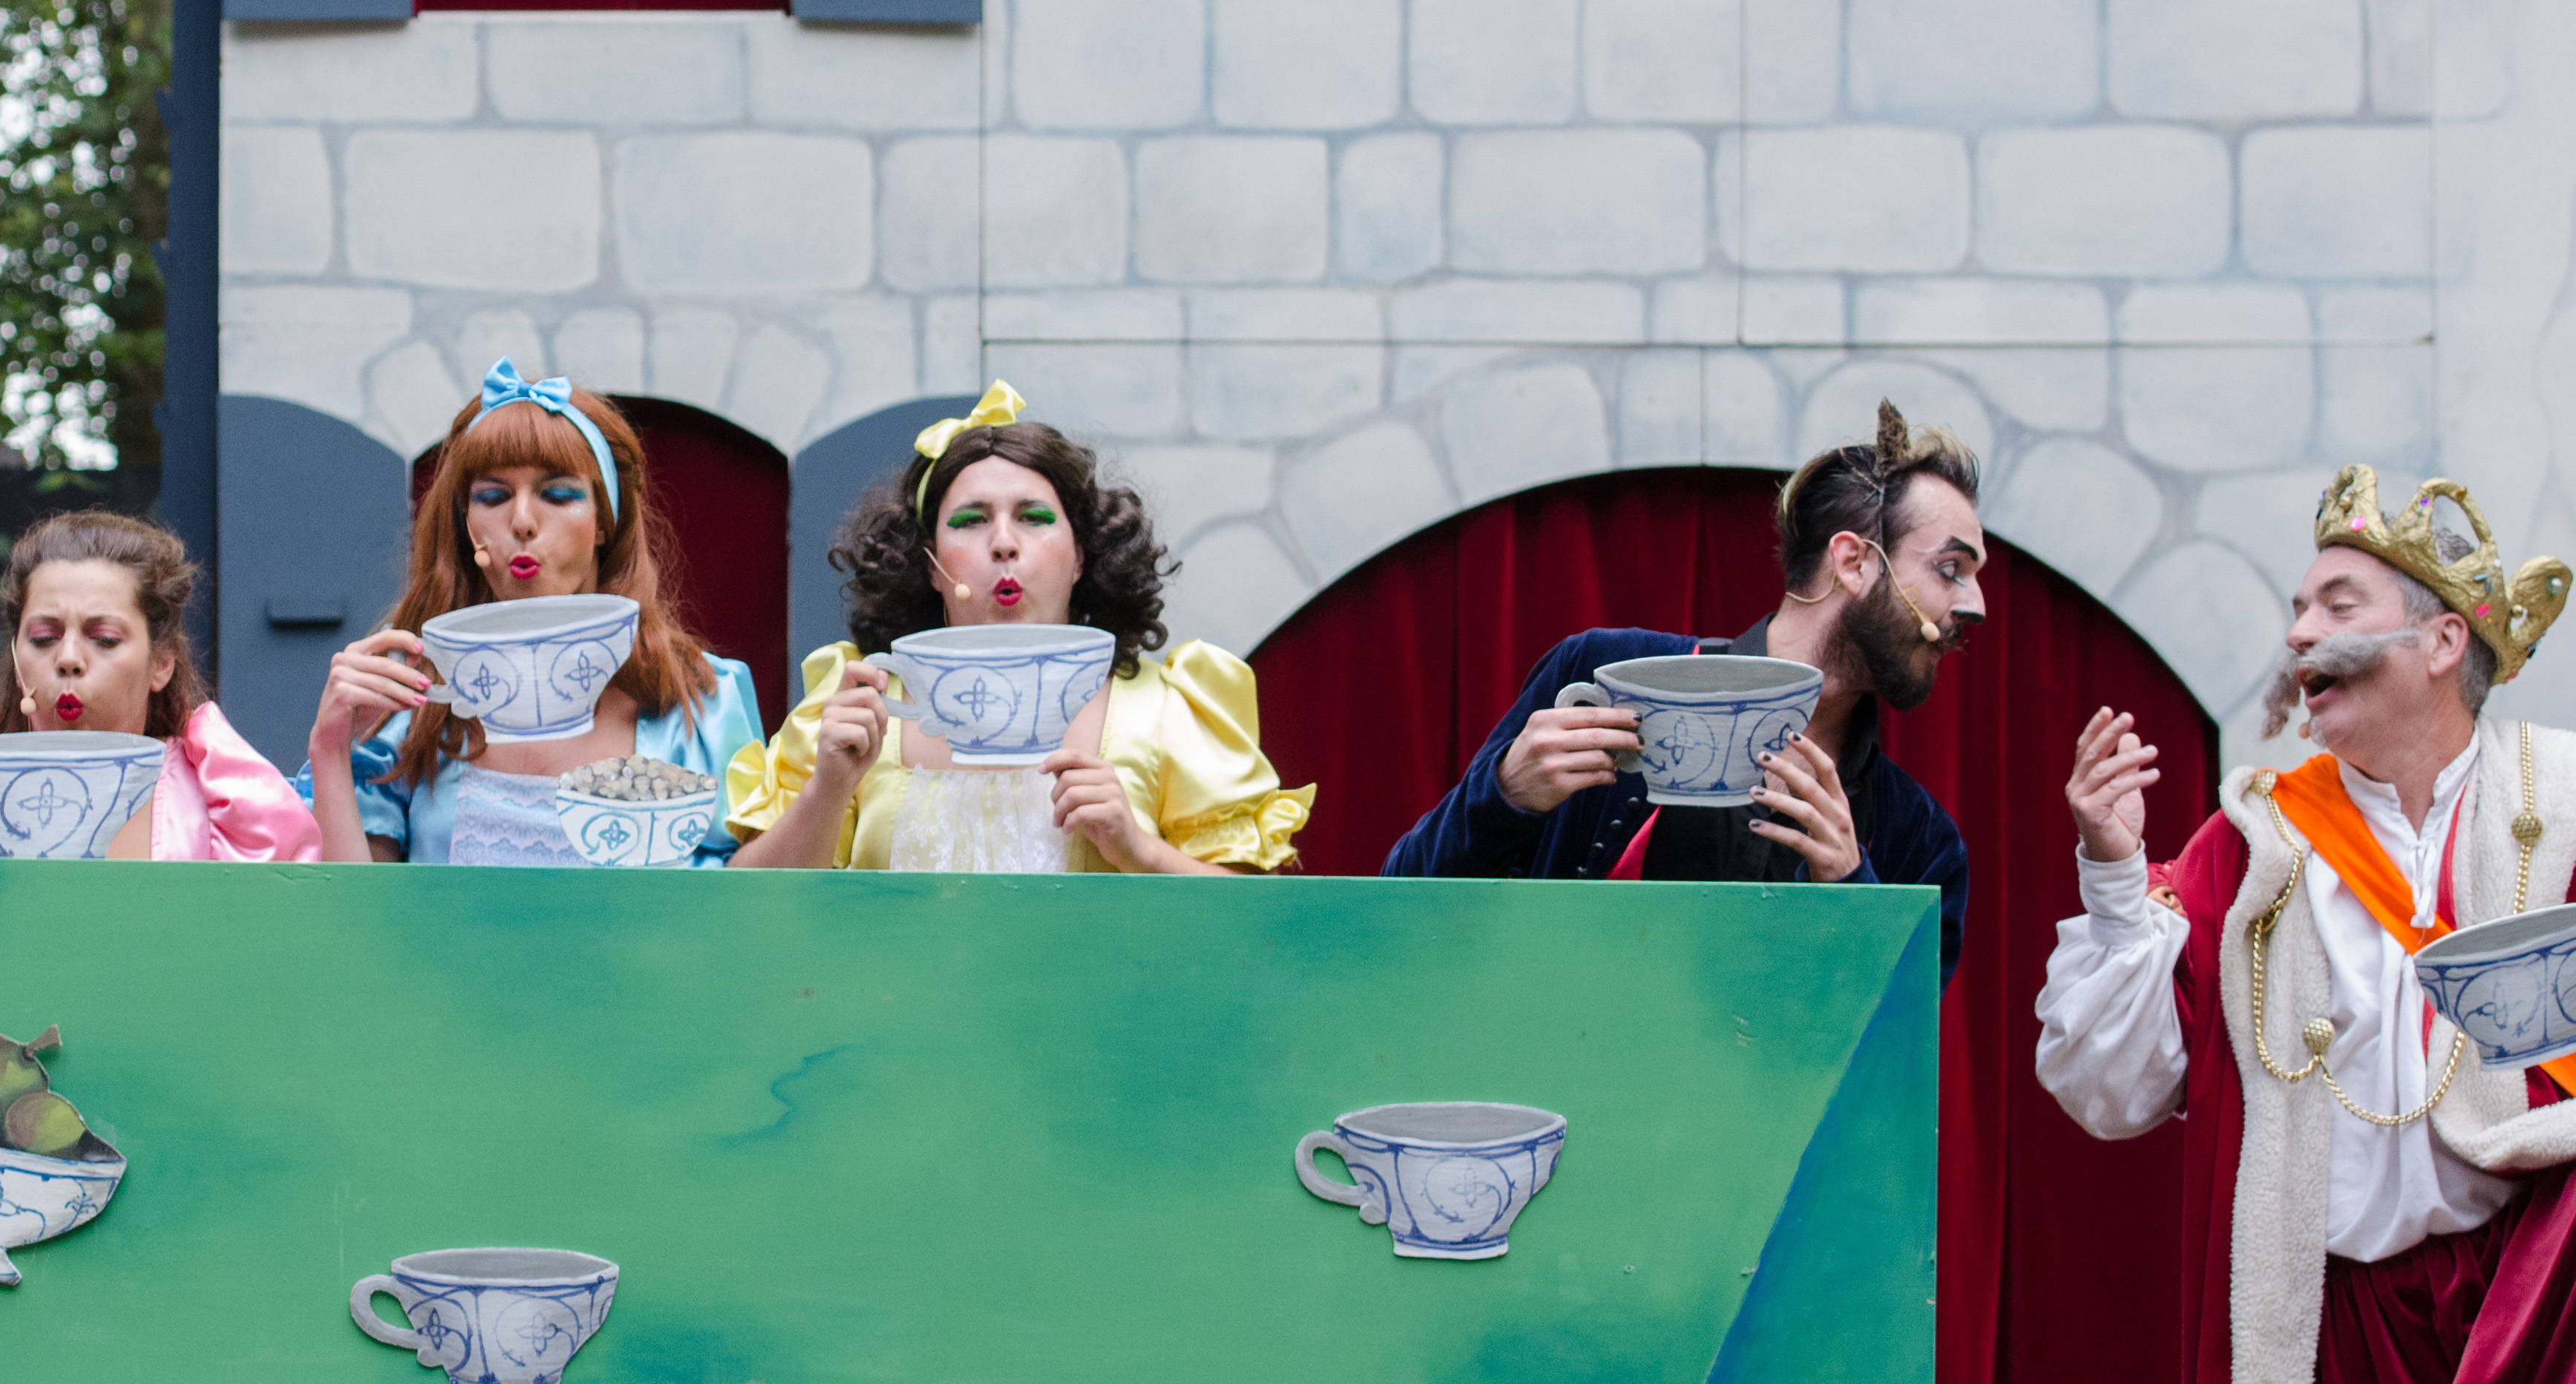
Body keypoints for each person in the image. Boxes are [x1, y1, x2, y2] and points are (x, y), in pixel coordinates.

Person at [2036, 466, 2576, 1384]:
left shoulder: (2560, 801)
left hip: (2534, 1289)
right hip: (2351, 1339)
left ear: (2440, 638)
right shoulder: (2257, 844)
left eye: (2335, 604)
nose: (2296, 635)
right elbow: (2110, 1088)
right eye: (2293, 606)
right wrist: (2112, 873)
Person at [1379, 399, 1982, 976]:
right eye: (1950, 569)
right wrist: (1504, 794)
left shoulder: (1924, 842)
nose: (1975, 605)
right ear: (1853, 562)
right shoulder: (1600, 674)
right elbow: (1396, 908)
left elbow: (1895, 1038)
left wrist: (1854, 896)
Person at [724, 383, 1312, 874]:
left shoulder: (1165, 710)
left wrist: (1140, 851)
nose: (1004, 543)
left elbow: (1256, 926)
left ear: (1080, 556)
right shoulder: (859, 710)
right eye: (970, 521)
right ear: (929, 565)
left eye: (1033, 517)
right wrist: (826, 791)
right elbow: (746, 913)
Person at [302, 362, 762, 865]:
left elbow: (749, 896)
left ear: (605, 522)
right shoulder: (410, 693)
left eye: (558, 495)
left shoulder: (696, 698)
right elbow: (351, 905)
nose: (522, 521)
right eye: (493, 497)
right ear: (466, 524)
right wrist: (330, 749)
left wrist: (822, 782)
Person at [0, 509, 316, 862]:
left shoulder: (225, 807)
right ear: (16, 659)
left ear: (162, 662)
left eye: (104, 638)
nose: (68, 658)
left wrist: (329, 753)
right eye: (43, 638)